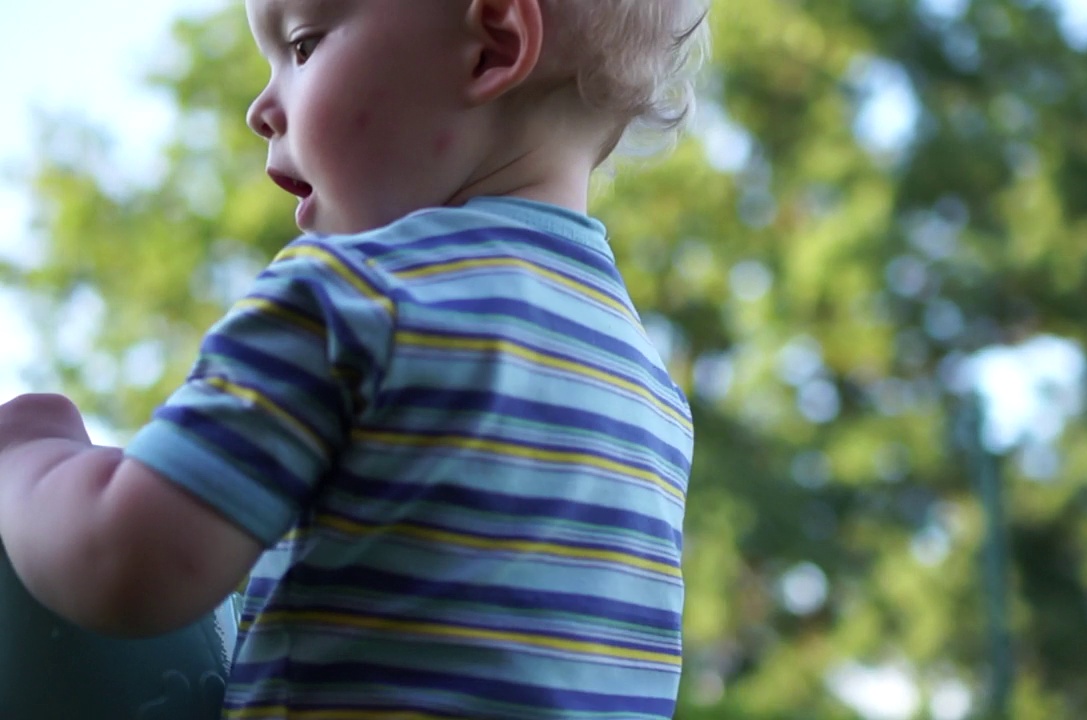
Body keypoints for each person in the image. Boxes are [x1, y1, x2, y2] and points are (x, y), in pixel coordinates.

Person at [0, 0, 707, 716]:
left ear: (492, 46)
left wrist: (30, 451)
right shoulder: (650, 394)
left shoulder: (355, 301)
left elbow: (126, 563)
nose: (260, 109)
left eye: (302, 46)